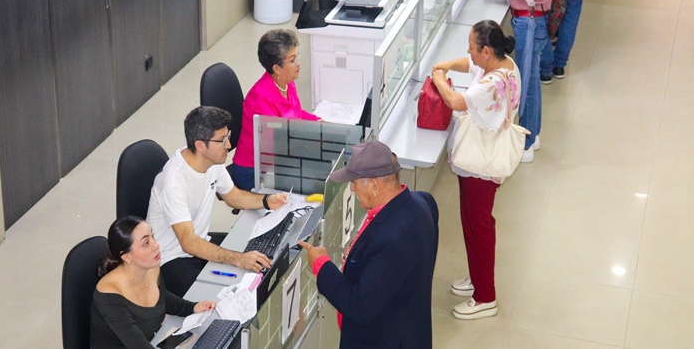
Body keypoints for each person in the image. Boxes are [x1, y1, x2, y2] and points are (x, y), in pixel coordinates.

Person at [298, 141, 439, 348]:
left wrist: (322, 266)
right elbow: (394, 274)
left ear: (374, 185)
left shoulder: (391, 239)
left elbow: (360, 307)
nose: (351, 188)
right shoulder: (423, 202)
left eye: (354, 182)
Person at [430, 20, 522, 320]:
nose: (468, 52)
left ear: (486, 51)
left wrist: (439, 78)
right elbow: (468, 63)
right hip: (483, 160)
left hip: (481, 166)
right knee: (472, 223)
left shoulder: (491, 84)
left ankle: (485, 297)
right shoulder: (504, 64)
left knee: (478, 227)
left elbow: (456, 101)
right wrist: (446, 65)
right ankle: (477, 277)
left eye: (472, 47)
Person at [145, 106, 288, 297]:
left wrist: (267, 201)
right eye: (222, 140)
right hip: (172, 259)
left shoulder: (212, 162)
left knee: (262, 259)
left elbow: (233, 196)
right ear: (200, 145)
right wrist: (237, 259)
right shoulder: (173, 182)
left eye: (228, 136)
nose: (228, 145)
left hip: (200, 242)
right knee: (230, 297)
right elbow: (188, 242)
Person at [481, 0, 554, 162]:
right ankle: (533, 133)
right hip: (526, 18)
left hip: (530, 20)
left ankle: (527, 142)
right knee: (530, 79)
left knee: (528, 83)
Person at [90, 216, 217, 348]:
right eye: (146, 243)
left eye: (153, 236)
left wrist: (191, 308)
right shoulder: (110, 296)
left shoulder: (150, 268)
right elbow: (138, 345)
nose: (156, 245)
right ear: (127, 256)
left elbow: (161, 297)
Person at [231, 30, 320, 190]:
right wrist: (313, 137)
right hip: (256, 170)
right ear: (277, 68)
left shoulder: (287, 82)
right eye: (292, 60)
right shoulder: (260, 98)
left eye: (297, 57)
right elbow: (276, 144)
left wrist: (319, 122)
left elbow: (296, 114)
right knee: (314, 185)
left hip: (281, 160)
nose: (298, 63)